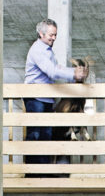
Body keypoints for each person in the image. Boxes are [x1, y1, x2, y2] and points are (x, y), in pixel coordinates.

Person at [24, 19, 86, 169]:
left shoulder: (47, 51)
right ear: (41, 33)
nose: (53, 38)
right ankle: (33, 171)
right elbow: (51, 70)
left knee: (46, 134)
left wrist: (73, 74)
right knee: (36, 134)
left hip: (45, 98)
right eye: (51, 35)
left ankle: (44, 170)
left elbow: (55, 67)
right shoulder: (38, 50)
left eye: (55, 35)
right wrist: (73, 75)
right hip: (35, 97)